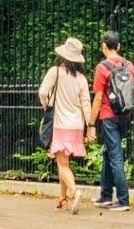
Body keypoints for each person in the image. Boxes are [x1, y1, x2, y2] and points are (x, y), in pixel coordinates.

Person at [89, 30, 134, 210]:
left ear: (104, 47)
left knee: (115, 156)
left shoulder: (102, 68)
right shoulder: (129, 65)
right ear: (118, 46)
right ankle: (106, 195)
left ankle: (123, 200)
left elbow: (97, 98)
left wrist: (91, 124)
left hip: (108, 117)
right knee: (108, 154)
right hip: (125, 115)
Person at [39, 36, 94, 212]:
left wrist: (47, 104)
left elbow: (42, 92)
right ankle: (62, 196)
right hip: (77, 125)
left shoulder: (55, 72)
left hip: (60, 124)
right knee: (64, 162)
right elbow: (87, 104)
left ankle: (74, 192)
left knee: (62, 164)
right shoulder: (82, 79)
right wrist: (90, 127)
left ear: (63, 56)